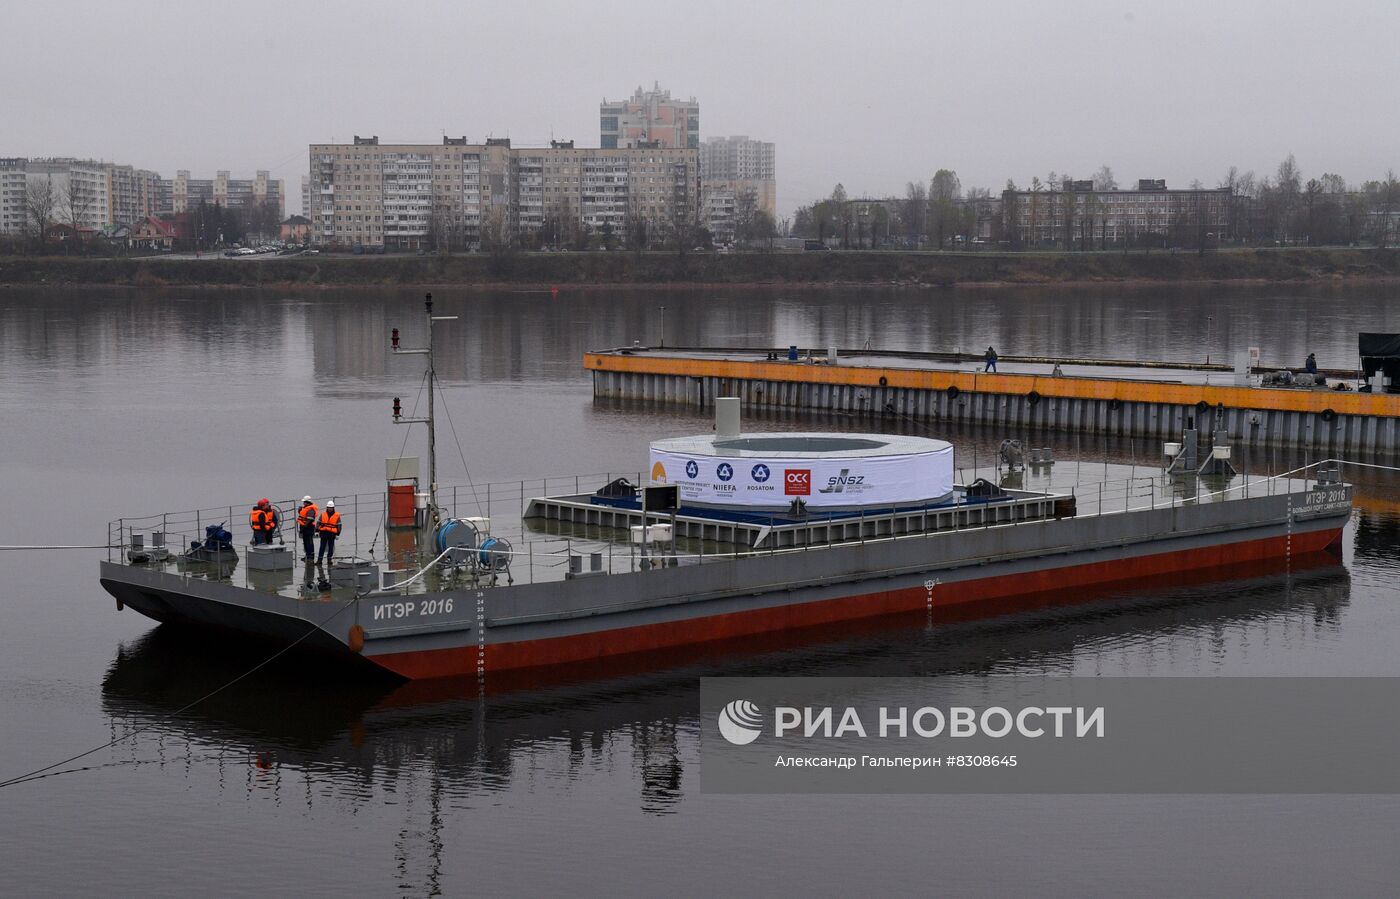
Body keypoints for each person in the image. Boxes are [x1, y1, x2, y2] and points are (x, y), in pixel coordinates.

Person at [296, 495, 319, 561]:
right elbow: (303, 516)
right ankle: (307, 555)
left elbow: (310, 519)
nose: (303, 503)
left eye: (304, 502)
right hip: (304, 527)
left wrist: (304, 527)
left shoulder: (311, 509)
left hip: (309, 528)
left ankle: (311, 556)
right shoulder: (306, 508)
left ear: (307, 502)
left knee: (309, 542)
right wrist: (299, 511)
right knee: (305, 542)